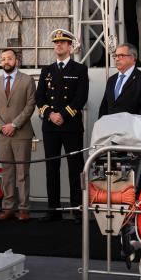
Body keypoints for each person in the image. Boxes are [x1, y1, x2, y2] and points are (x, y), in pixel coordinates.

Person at [35, 29, 89, 222]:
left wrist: (63, 115)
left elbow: (81, 97)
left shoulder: (79, 69)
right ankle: (53, 209)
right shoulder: (47, 70)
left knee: (75, 168)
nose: (58, 45)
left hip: (71, 126)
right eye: (56, 42)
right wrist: (50, 114)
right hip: (50, 126)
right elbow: (39, 97)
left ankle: (77, 209)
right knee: (52, 169)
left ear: (70, 47)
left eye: (63, 42)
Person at [0, 48, 37, 222]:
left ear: (16, 60)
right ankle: (8, 208)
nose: (6, 61)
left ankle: (24, 209)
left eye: (9, 58)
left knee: (22, 173)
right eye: (3, 59)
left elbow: (30, 105)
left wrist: (14, 124)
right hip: (2, 135)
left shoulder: (28, 80)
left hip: (21, 133)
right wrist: (2, 127)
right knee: (7, 172)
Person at [98, 43, 141, 118]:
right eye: (115, 56)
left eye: (121, 55)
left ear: (132, 58)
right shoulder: (111, 80)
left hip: (132, 125)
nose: (117, 59)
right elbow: (104, 108)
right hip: (111, 125)